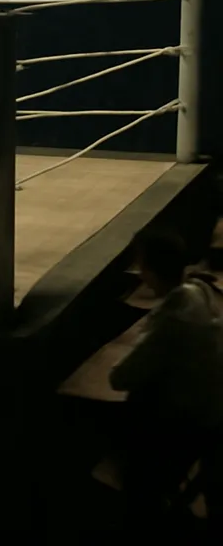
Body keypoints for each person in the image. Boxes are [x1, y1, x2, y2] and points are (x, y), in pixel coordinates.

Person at [110, 227, 223, 534]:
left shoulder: (171, 317)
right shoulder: (200, 292)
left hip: (196, 421)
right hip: (214, 406)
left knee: (134, 422)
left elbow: (120, 377)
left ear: (148, 270)